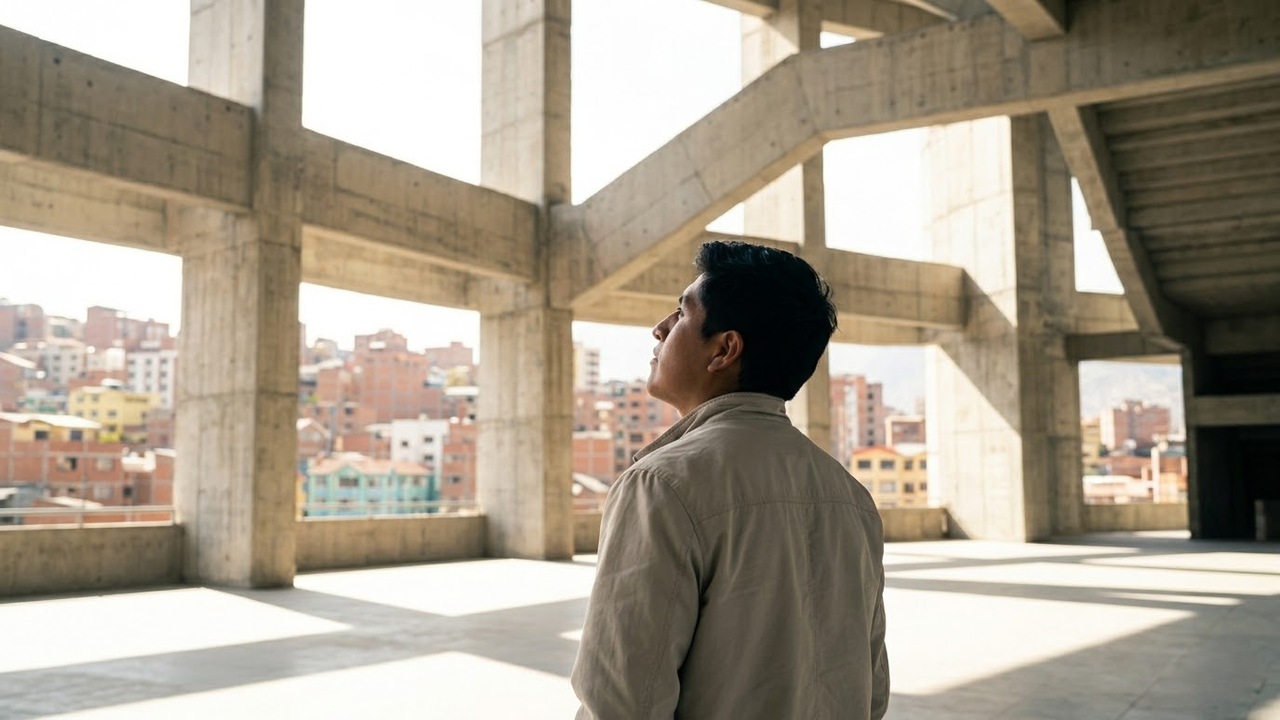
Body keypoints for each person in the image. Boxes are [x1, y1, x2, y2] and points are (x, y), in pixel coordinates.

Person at [571, 240, 889, 719]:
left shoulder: (662, 484)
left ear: (724, 349)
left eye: (681, 314)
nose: (659, 329)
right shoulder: (851, 496)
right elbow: (871, 691)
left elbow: (622, 703)